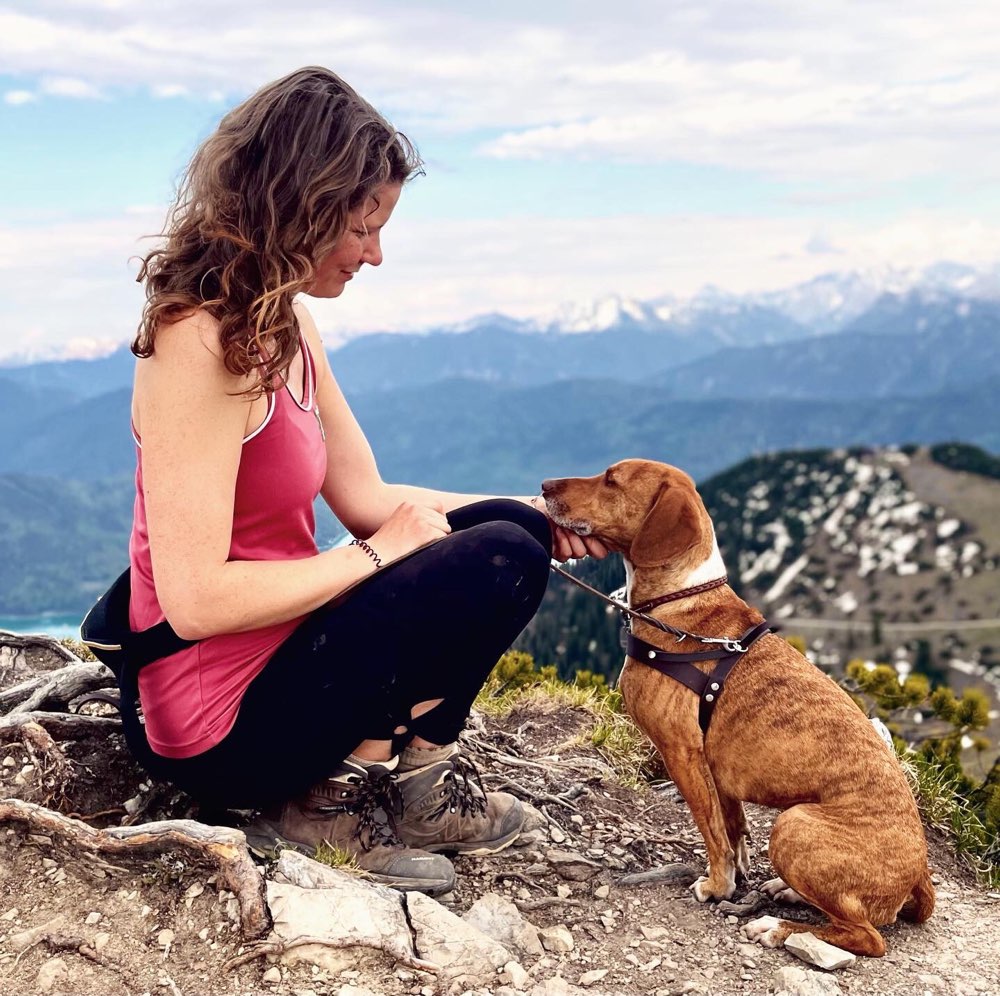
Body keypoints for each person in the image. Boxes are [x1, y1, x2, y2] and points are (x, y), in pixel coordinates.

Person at [125, 66, 607, 896]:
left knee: (514, 539)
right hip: (218, 724)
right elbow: (195, 600)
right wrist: (375, 556)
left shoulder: (286, 323)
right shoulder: (196, 343)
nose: (374, 255)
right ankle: (316, 806)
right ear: (299, 208)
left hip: (287, 652)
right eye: (362, 227)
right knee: (489, 550)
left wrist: (534, 511)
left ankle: (423, 791)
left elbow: (367, 499)